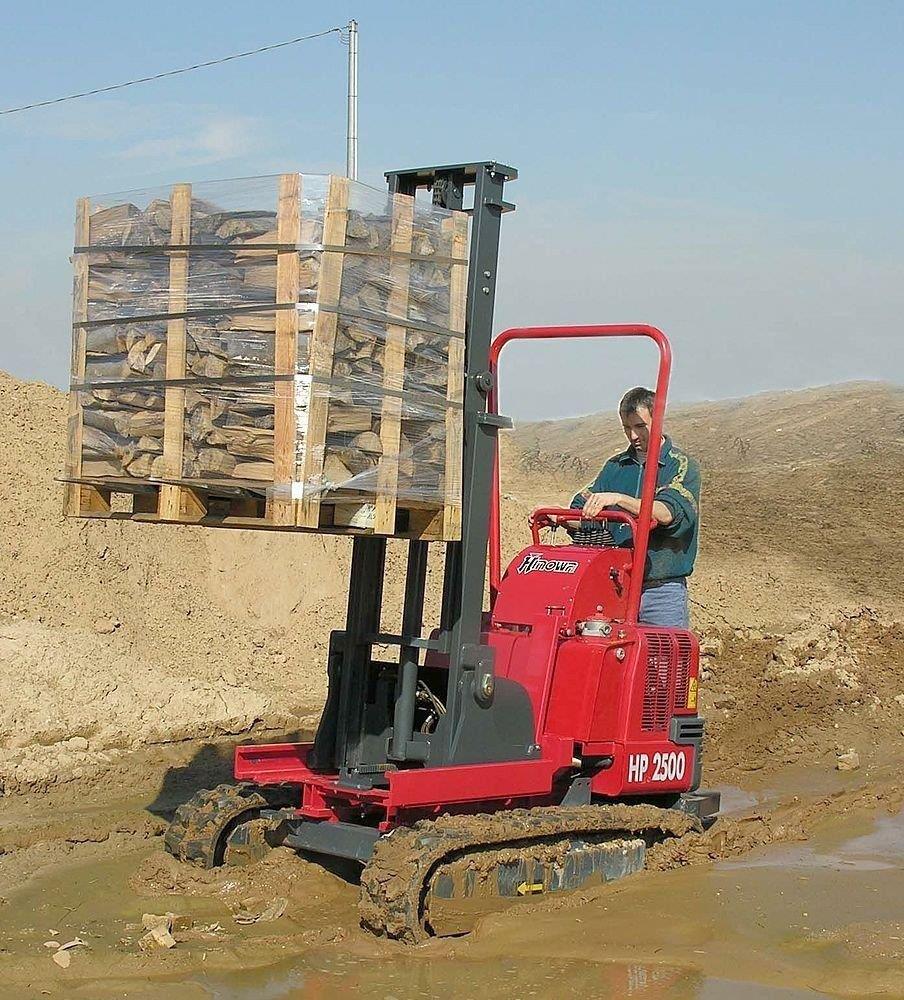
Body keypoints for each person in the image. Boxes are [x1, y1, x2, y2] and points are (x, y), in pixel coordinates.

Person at [569, 386, 700, 628]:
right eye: (626, 428)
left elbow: (668, 512)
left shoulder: (680, 466)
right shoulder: (616, 466)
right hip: (616, 584)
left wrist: (618, 499)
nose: (632, 436)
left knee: (662, 661)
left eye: (639, 426)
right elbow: (581, 506)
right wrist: (560, 517)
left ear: (658, 419)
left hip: (660, 590)